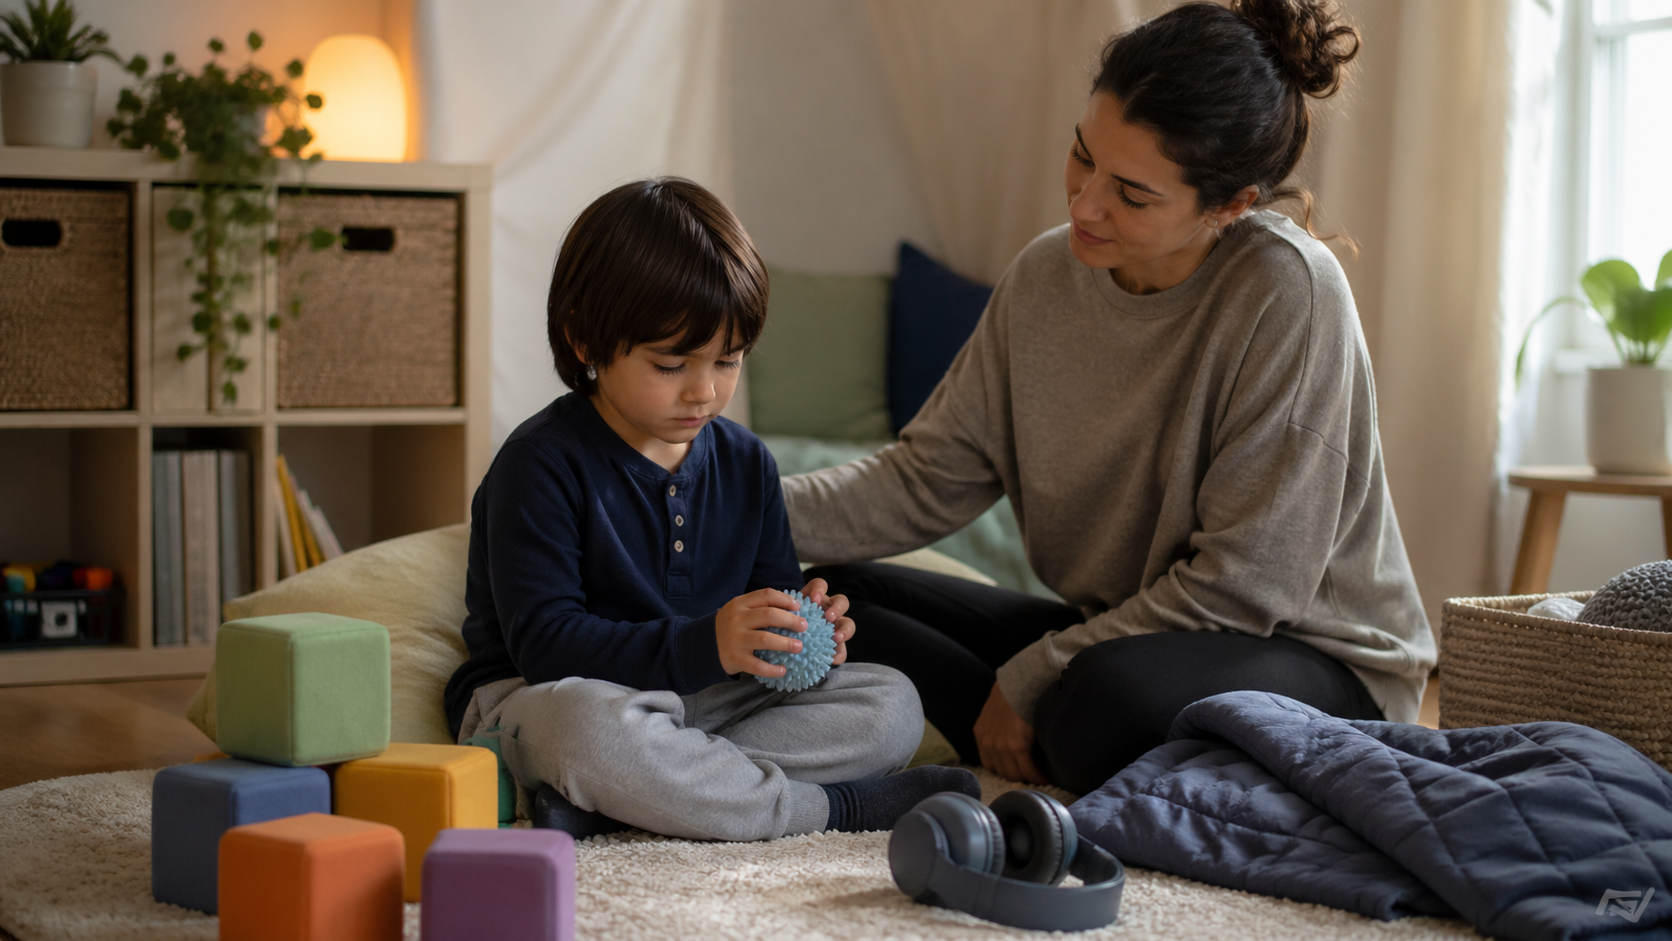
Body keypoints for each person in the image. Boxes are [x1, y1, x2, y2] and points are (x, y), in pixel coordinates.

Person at [786, 0, 1436, 796]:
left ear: (1230, 205)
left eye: (1131, 193)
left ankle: (1047, 725)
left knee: (1101, 699)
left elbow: (1246, 589)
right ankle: (1040, 734)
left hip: (1314, 655)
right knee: (844, 599)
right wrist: (736, 506)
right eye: (1082, 155)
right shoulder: (1045, 276)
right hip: (1132, 632)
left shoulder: (1290, 292)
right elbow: (925, 478)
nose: (1084, 203)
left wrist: (1032, 672)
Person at [442, 178, 977, 841]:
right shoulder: (540, 463)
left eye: (728, 361)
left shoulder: (748, 462)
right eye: (671, 364)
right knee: (584, 731)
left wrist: (803, 636)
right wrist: (709, 642)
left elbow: (768, 612)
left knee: (891, 704)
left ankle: (626, 799)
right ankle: (835, 810)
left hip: (705, 701)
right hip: (553, 698)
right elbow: (547, 646)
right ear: (584, 340)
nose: (704, 390)